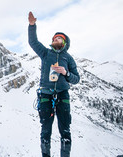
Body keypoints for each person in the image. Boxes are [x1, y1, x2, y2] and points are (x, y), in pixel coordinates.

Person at [28, 11, 80, 157]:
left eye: (59, 38)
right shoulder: (45, 53)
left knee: (65, 130)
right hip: (45, 94)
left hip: (63, 95)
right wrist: (32, 25)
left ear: (64, 43)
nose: (56, 39)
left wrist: (66, 73)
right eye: (55, 38)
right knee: (45, 131)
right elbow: (33, 42)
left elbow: (76, 78)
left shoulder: (68, 59)